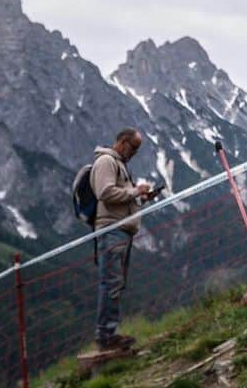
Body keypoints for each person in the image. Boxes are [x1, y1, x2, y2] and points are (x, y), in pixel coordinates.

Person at [90, 128, 154, 351]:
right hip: (111, 231)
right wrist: (135, 192)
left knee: (115, 283)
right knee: (110, 283)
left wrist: (140, 198)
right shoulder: (107, 161)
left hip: (121, 232)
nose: (134, 153)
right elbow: (105, 193)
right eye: (134, 147)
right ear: (123, 142)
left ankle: (110, 333)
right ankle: (106, 336)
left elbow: (120, 198)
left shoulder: (119, 164)